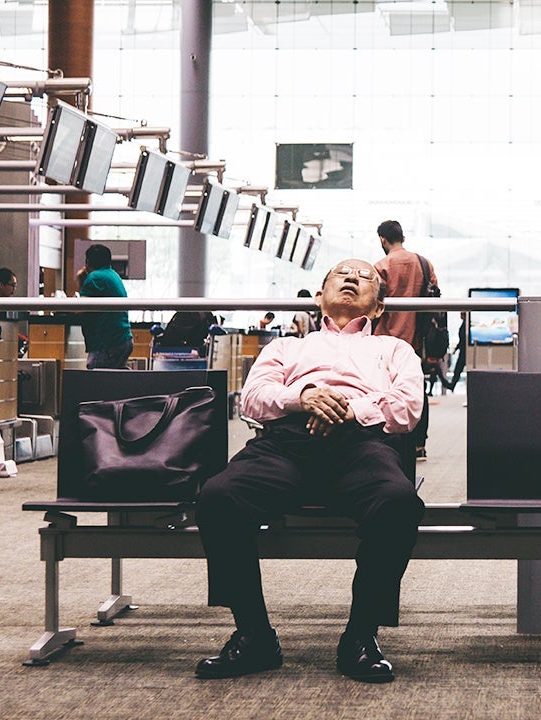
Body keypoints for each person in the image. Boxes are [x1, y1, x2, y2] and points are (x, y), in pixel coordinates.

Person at [194, 259, 425, 684]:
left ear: (377, 309)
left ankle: (361, 636)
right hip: (286, 443)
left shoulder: (394, 350)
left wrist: (347, 410)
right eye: (342, 273)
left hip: (362, 444)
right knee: (217, 496)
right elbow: (254, 398)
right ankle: (254, 635)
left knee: (399, 503)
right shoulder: (287, 348)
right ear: (319, 296)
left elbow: (408, 407)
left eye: (366, 277)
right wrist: (305, 397)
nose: (353, 278)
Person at [373, 219, 438, 460]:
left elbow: (372, 303)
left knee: (387, 392)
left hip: (386, 341)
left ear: (383, 239)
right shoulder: (424, 263)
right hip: (416, 341)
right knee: (416, 390)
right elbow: (435, 299)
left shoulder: (381, 266)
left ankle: (392, 442)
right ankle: (419, 444)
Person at [78, 244, 133, 370]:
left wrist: (81, 280)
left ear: (87, 262)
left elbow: (79, 307)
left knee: (97, 383)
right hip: (122, 339)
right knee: (112, 383)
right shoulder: (113, 275)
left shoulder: (95, 277)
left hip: (106, 342)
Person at [448, 312, 468, 392]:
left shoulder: (465, 325)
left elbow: (463, 340)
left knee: (458, 369)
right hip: (463, 350)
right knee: (458, 369)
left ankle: (452, 385)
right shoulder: (464, 324)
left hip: (464, 351)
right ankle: (452, 384)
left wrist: (456, 349)